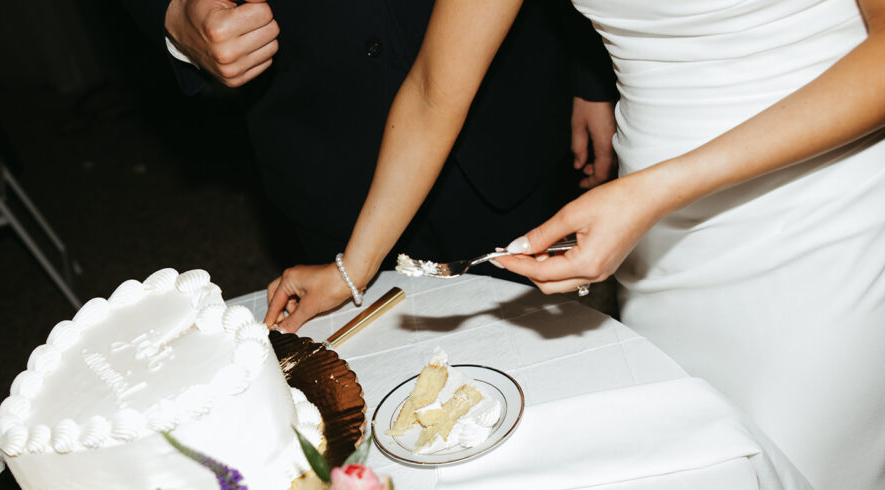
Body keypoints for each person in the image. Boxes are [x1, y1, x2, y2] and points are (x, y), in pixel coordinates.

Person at [265, 0, 885, 490]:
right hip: (661, 237)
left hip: (822, 206)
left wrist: (659, 189)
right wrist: (351, 268)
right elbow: (434, 86)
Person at [122, 0, 617, 306]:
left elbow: (434, 91)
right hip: (318, 138)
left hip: (507, 118)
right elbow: (432, 94)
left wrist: (591, 69)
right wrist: (175, 12)